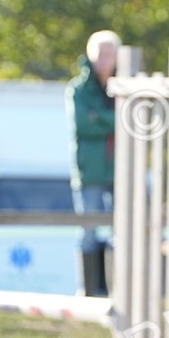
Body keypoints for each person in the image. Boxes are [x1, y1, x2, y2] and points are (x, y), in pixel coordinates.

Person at [67, 30, 119, 296]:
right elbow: (83, 125)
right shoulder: (78, 88)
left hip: (121, 170)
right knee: (88, 232)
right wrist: (113, 121)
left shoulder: (126, 85)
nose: (103, 58)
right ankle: (88, 291)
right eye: (99, 52)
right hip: (90, 171)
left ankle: (116, 290)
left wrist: (99, 117)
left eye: (109, 52)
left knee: (120, 231)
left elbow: (131, 124)